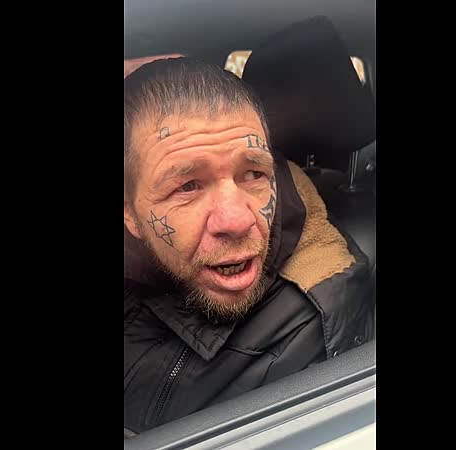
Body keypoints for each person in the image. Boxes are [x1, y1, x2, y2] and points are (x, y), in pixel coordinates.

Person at [124, 57, 373, 433]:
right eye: (188, 186)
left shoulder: (311, 325)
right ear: (129, 213)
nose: (238, 221)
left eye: (254, 173)